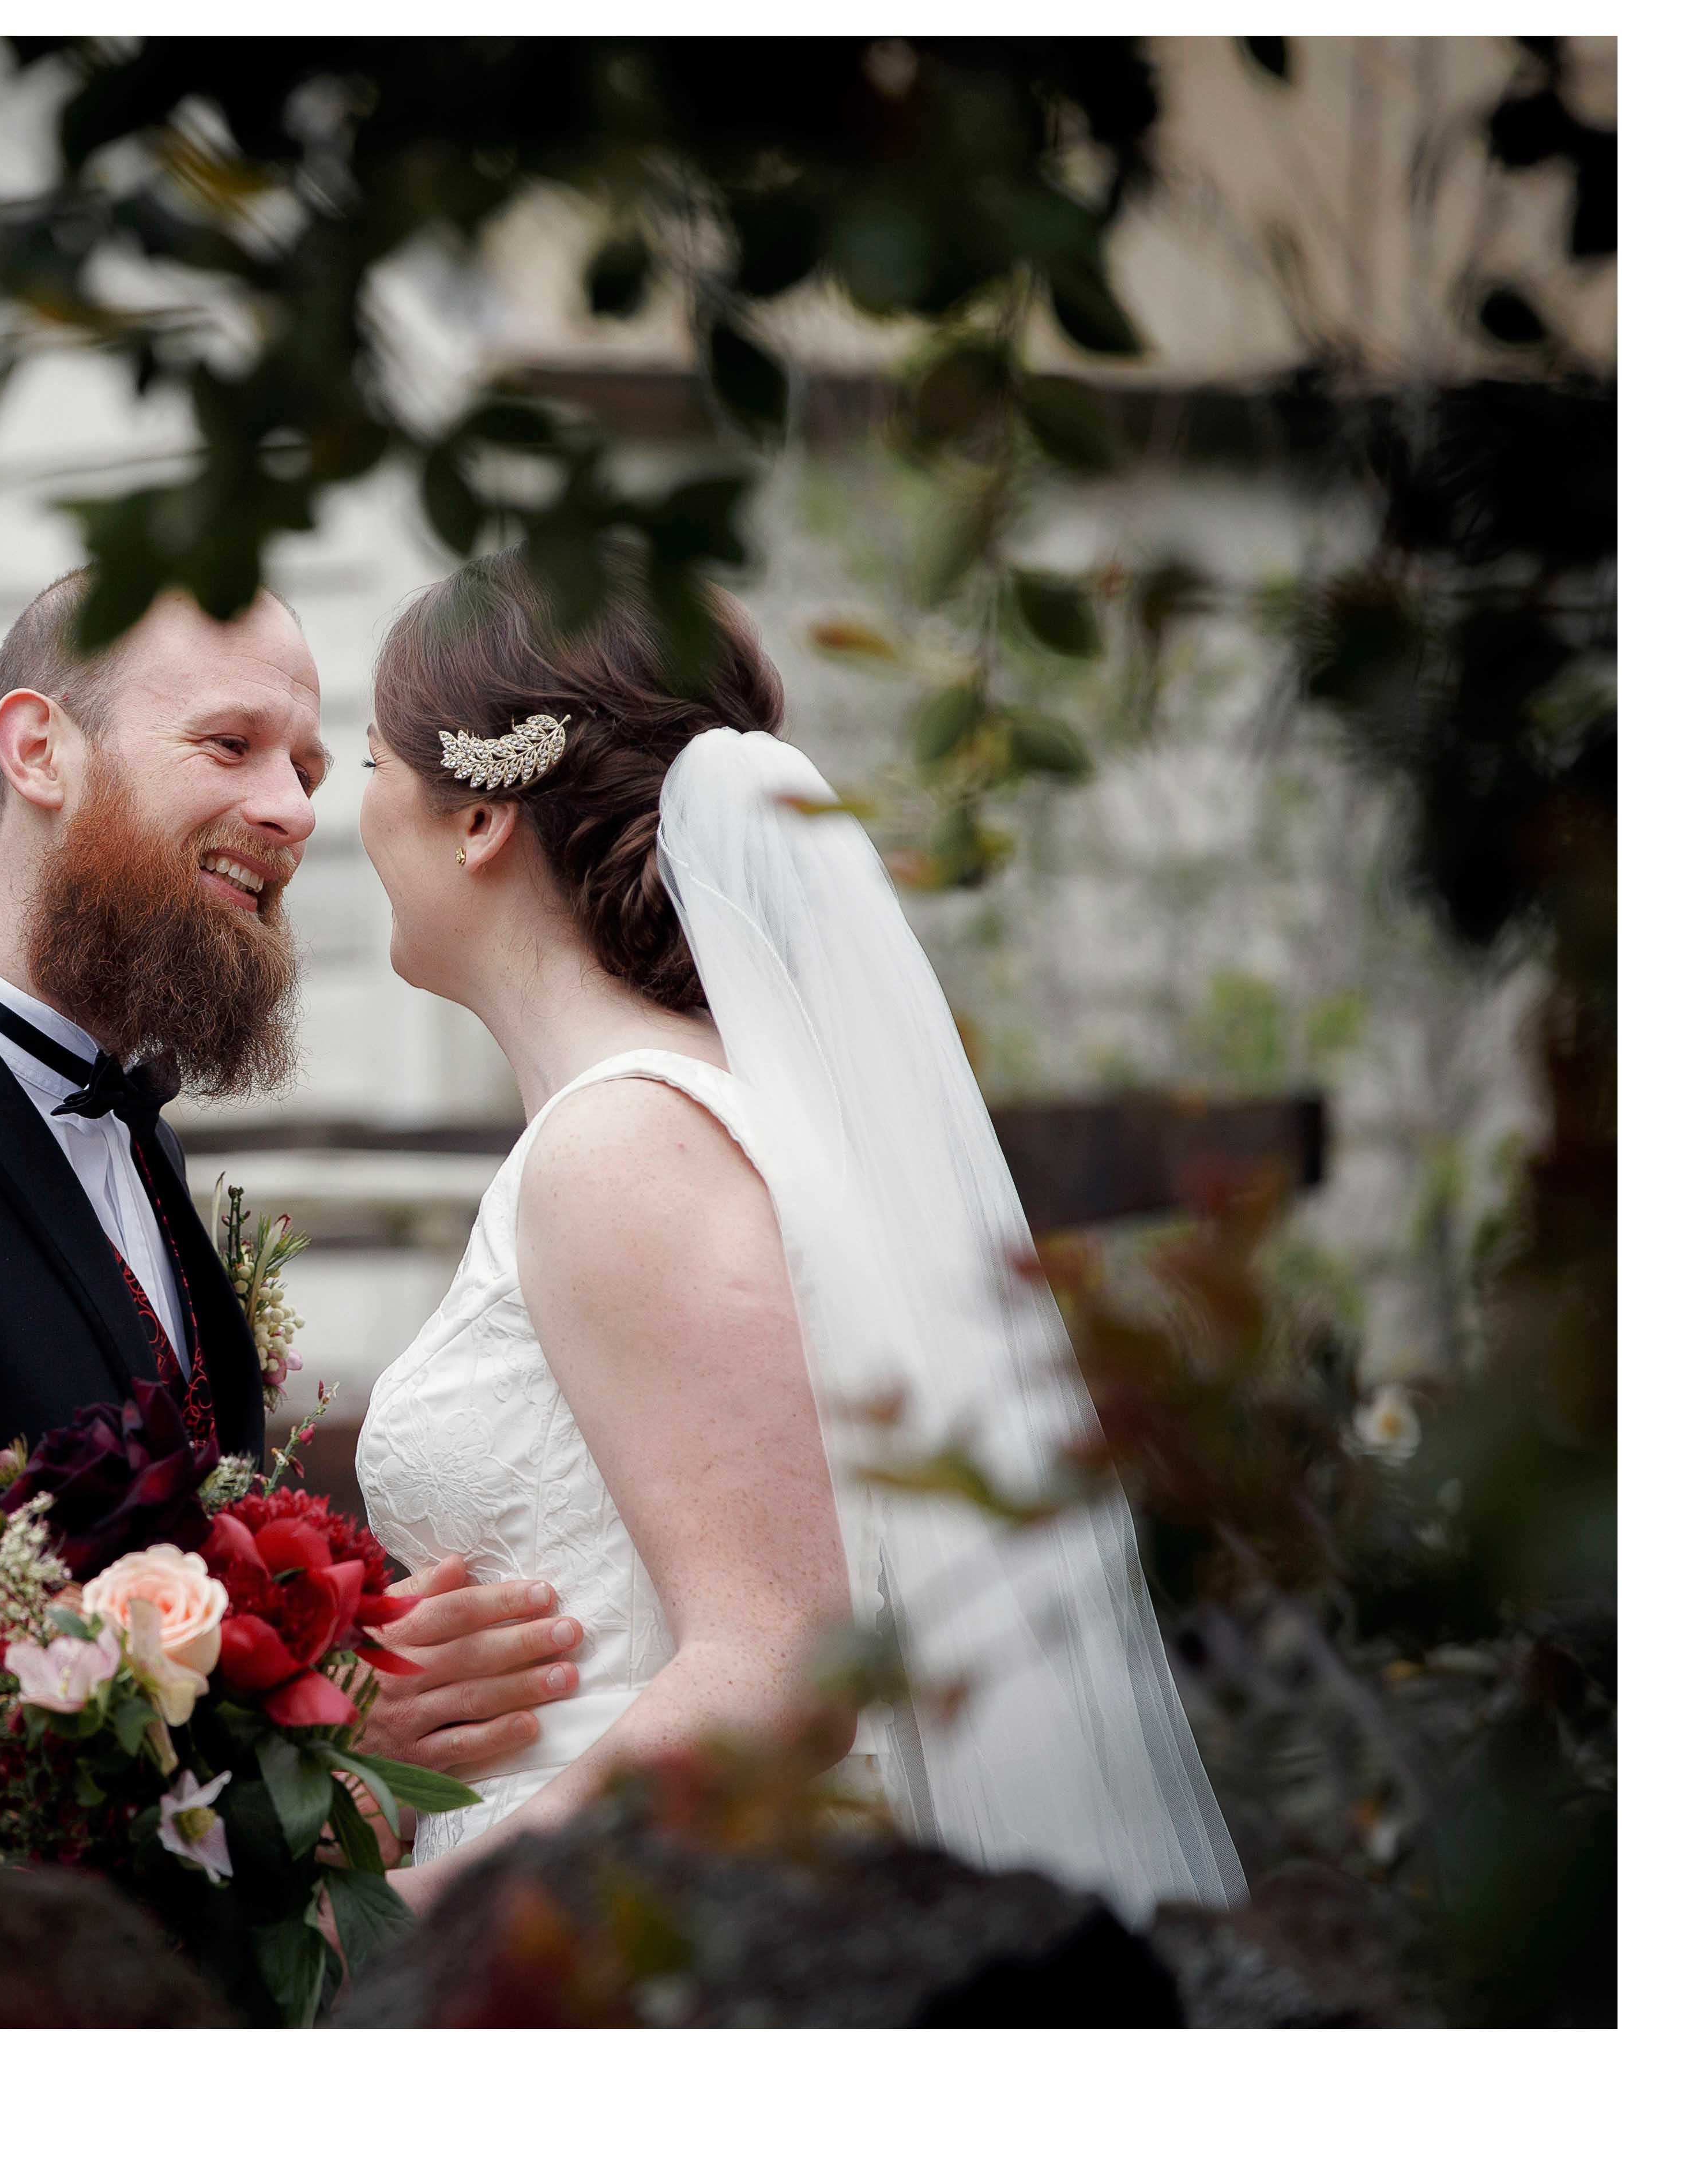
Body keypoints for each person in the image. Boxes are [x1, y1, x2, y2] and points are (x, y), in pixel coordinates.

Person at [352, 546, 1246, 1921]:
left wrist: (413, 1925)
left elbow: (779, 1660)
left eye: (367, 766)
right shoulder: (670, 1121)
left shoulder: (625, 1147)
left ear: (478, 817)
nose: (348, 815)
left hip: (621, 1947)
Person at [0, 569, 581, 1784]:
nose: (294, 811)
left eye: (308, 770)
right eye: (230, 744)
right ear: (41, 751)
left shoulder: (133, 1130)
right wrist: (314, 1733)